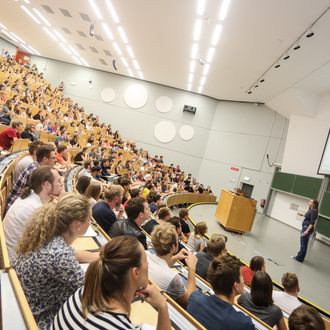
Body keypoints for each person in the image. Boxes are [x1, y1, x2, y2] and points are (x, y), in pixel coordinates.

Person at [12, 194, 96, 330]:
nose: (90, 223)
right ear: (78, 225)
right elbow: (91, 291)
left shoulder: (48, 236)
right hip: (41, 321)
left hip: (29, 309)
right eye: (89, 220)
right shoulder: (59, 255)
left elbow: (73, 252)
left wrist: (102, 257)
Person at [52, 236, 171, 330]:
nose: (148, 264)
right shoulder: (122, 326)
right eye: (145, 260)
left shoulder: (83, 292)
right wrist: (162, 305)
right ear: (135, 273)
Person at [4, 166, 64, 260]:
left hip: (14, 256)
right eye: (59, 181)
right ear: (47, 185)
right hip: (16, 263)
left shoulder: (31, 196)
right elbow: (59, 239)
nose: (62, 184)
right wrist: (62, 199)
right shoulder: (35, 209)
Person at [187, 255, 254, 330]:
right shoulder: (244, 323)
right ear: (236, 285)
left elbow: (191, 293)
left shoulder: (195, 300)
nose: (243, 280)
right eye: (241, 276)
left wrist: (191, 269)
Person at [147, 222, 197, 308]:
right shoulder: (173, 278)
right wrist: (192, 268)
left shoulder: (144, 255)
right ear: (173, 247)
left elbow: (161, 265)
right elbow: (189, 302)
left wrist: (176, 257)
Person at [6, 144, 56, 210]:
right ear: (45, 159)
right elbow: (42, 196)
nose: (56, 160)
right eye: (53, 158)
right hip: (16, 207)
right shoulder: (36, 172)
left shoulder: (36, 166)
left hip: (20, 204)